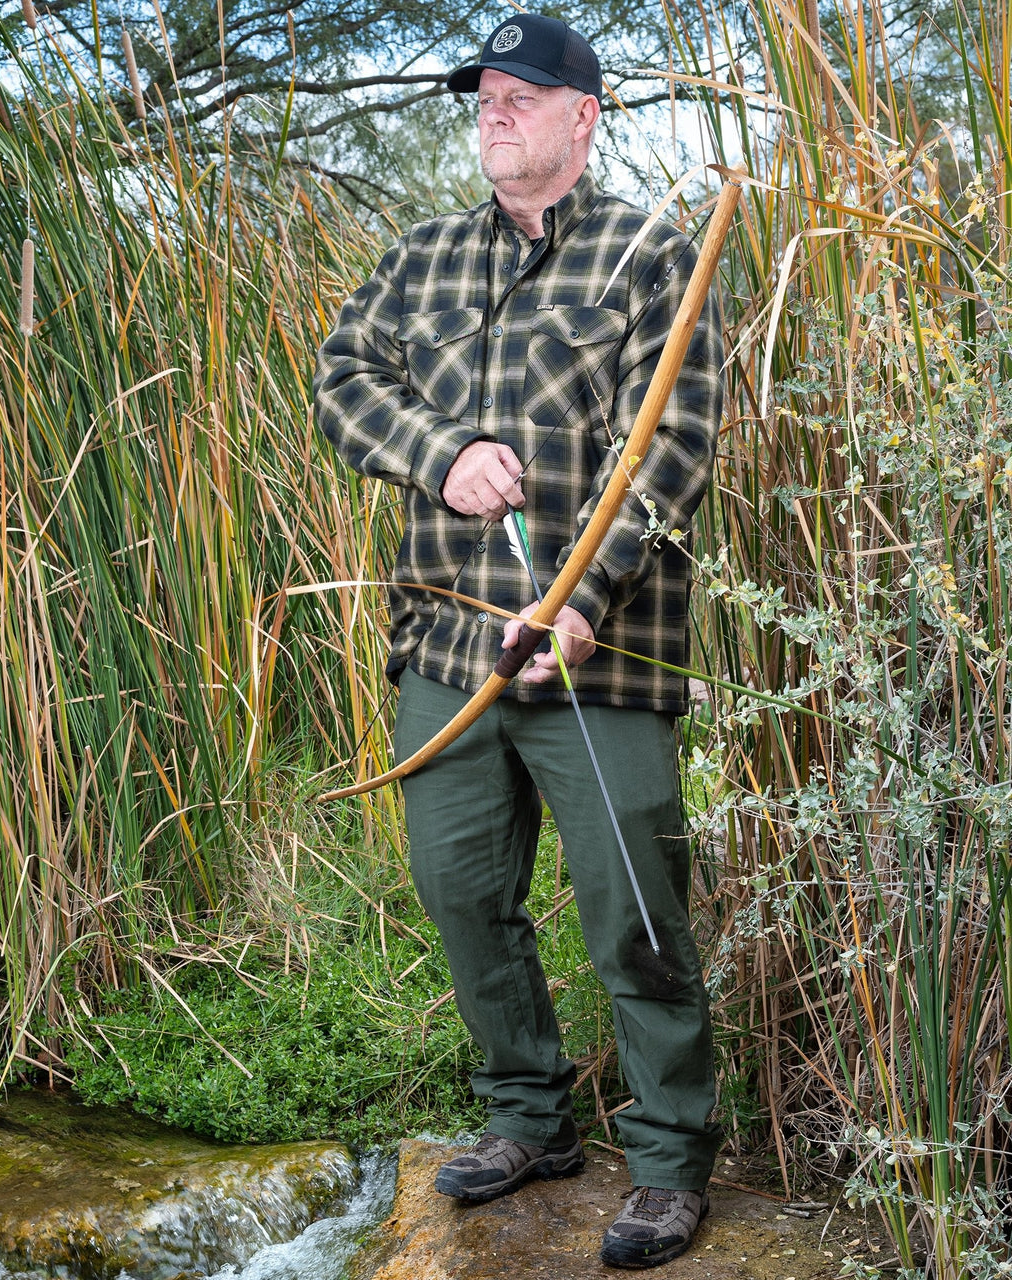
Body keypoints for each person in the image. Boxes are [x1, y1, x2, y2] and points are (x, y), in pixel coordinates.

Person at [312, 13, 724, 1270]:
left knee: (633, 910)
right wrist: (440, 454)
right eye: (481, 92)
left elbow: (672, 445)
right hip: (446, 648)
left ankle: (665, 1158)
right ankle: (527, 1118)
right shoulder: (420, 256)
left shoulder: (652, 255)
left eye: (520, 93)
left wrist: (584, 603)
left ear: (581, 116)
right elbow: (341, 379)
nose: (492, 108)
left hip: (600, 650)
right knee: (461, 893)